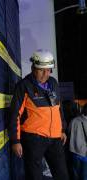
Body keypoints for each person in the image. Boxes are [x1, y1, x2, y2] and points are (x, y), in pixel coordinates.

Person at [8, 49, 69, 180]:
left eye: (48, 70)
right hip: (33, 139)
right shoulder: (23, 86)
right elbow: (14, 115)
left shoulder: (53, 83)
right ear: (33, 67)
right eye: (42, 70)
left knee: (62, 175)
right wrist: (15, 141)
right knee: (34, 176)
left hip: (55, 138)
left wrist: (62, 130)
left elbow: (59, 108)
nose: (46, 74)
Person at [68, 103, 87, 180]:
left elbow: (69, 133)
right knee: (84, 176)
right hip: (85, 154)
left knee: (75, 175)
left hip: (74, 152)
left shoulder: (74, 120)